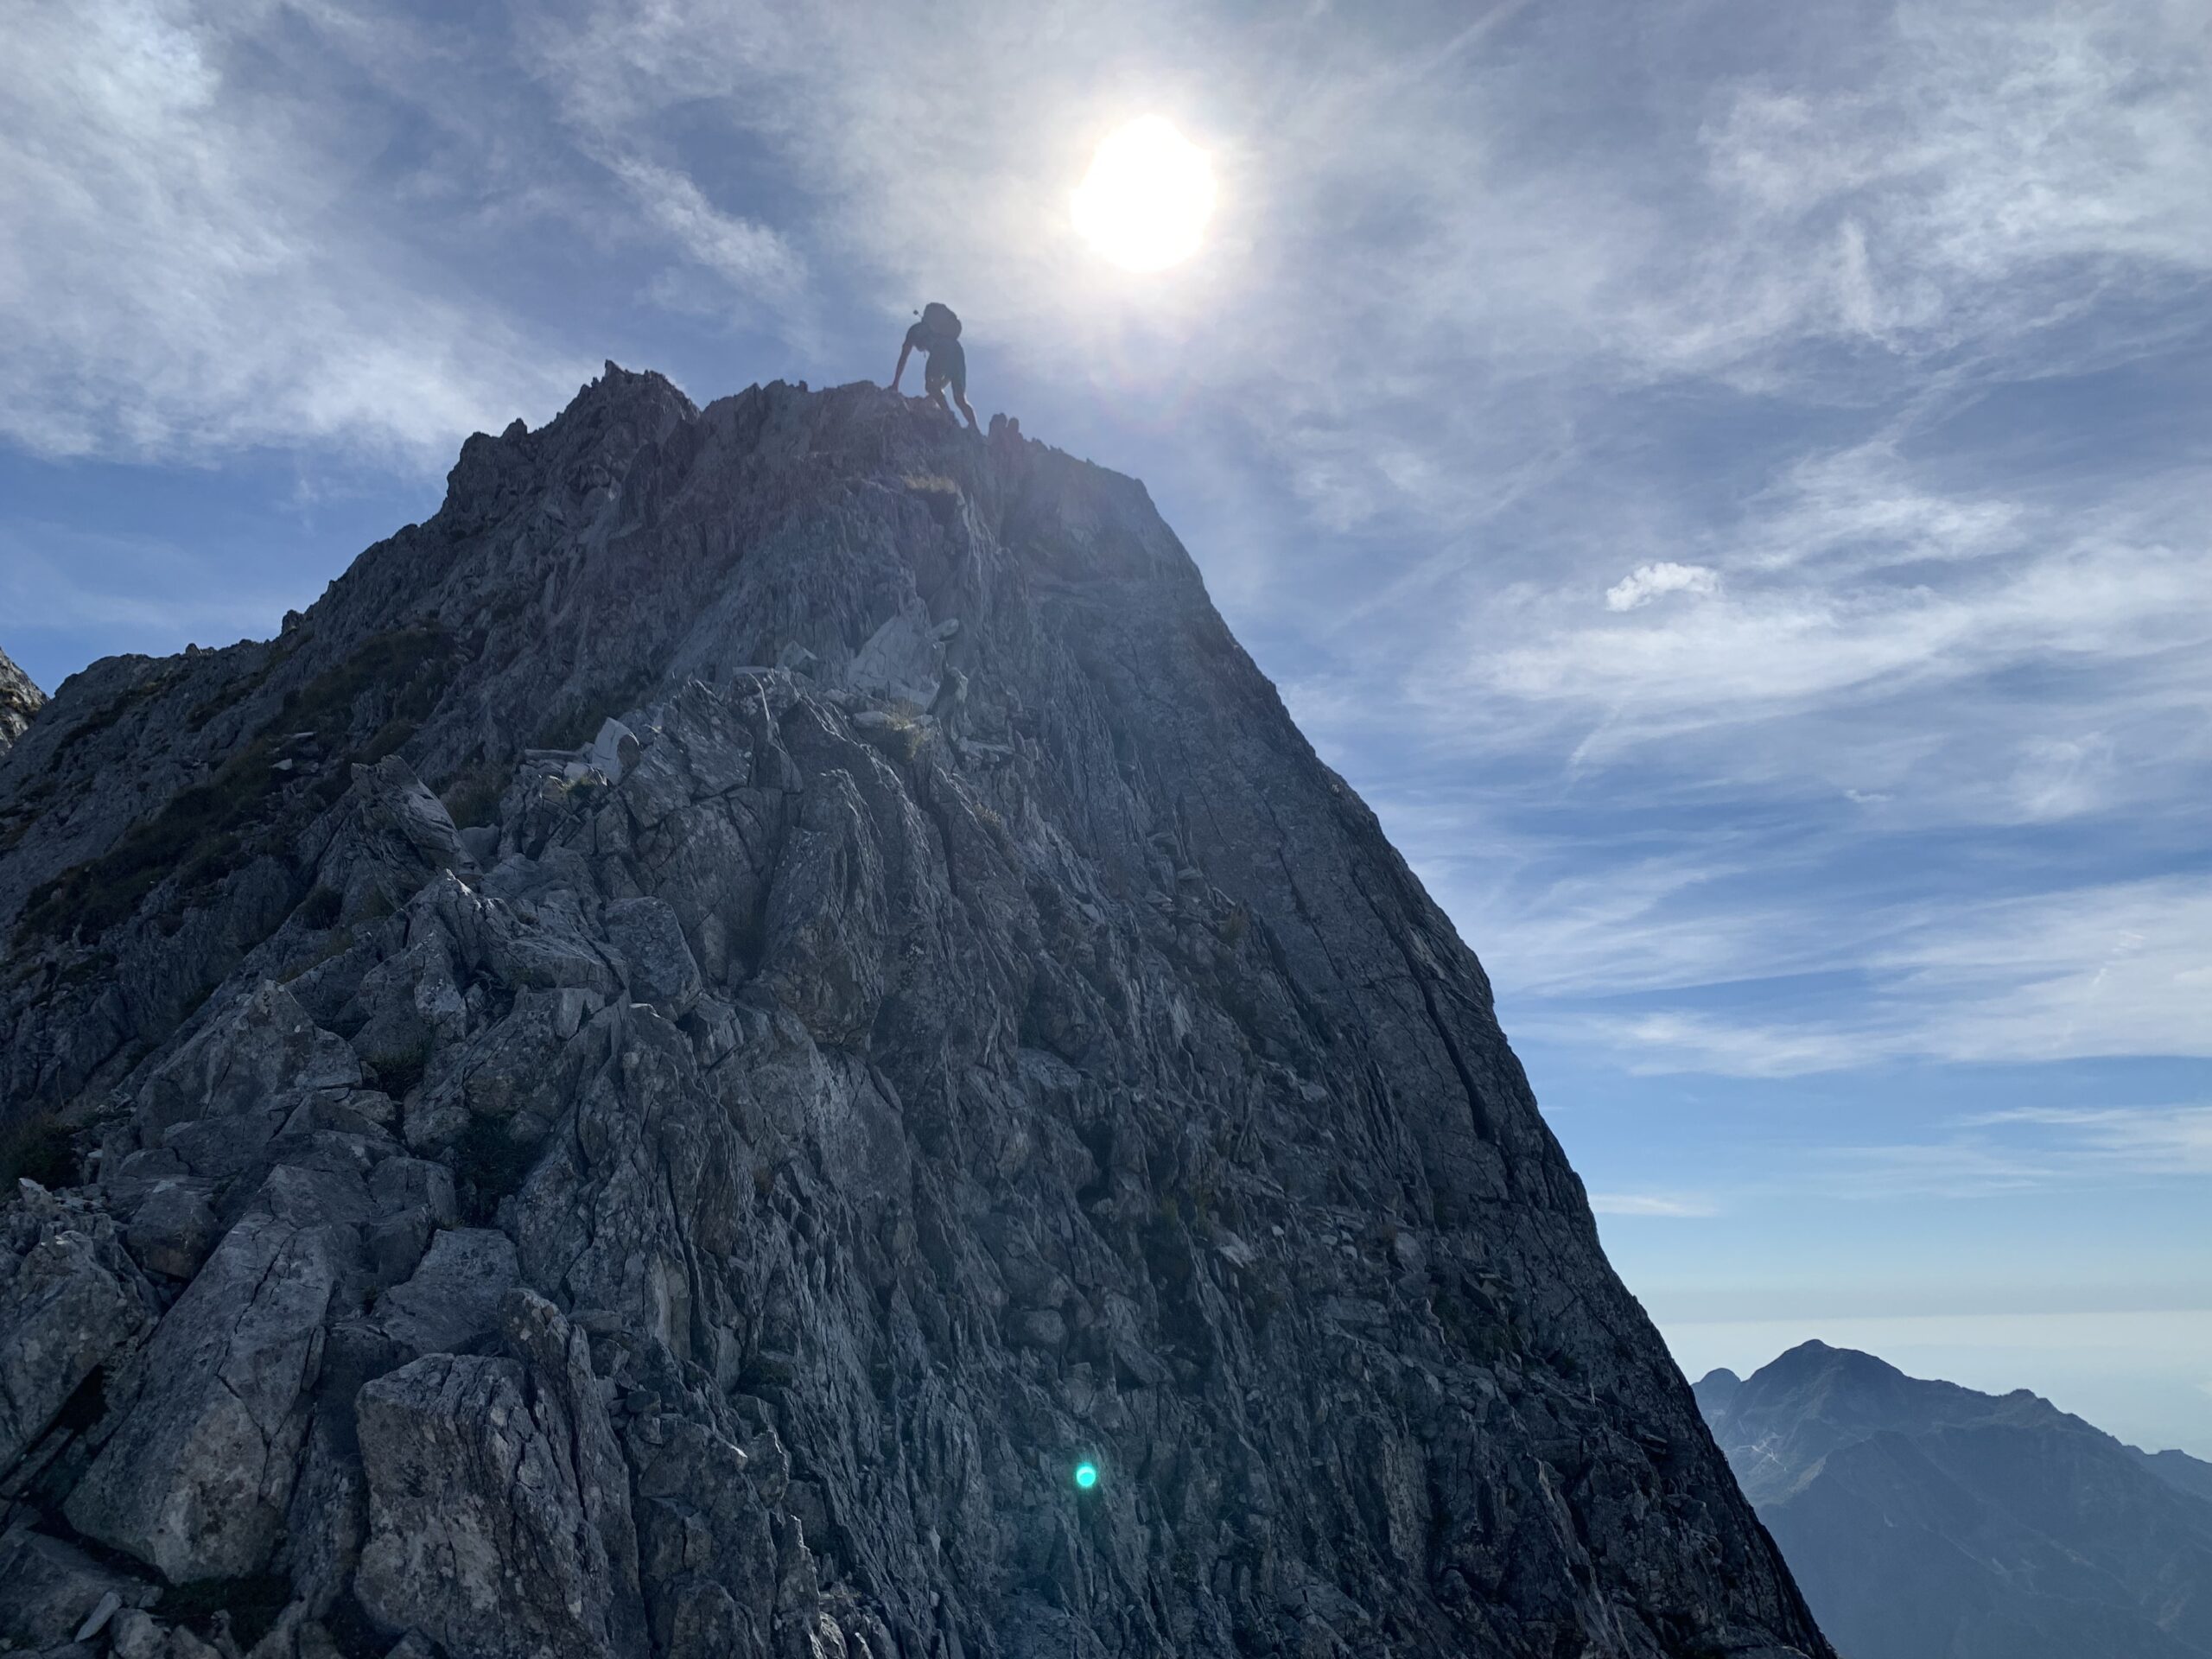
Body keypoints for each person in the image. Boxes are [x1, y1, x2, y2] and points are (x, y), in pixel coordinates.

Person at [891, 302, 979, 431]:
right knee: (960, 399)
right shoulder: (944, 336)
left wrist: (895, 383)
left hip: (941, 350)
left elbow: (903, 357)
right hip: (958, 351)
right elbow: (948, 375)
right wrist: (936, 393)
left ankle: (948, 417)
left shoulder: (914, 331)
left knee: (930, 386)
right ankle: (975, 429)